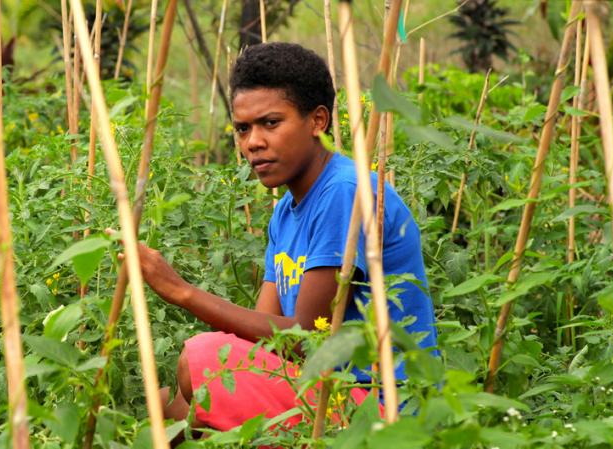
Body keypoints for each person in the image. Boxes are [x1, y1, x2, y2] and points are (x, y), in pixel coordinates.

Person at [123, 42, 438, 432]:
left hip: (382, 405)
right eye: (243, 129)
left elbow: (305, 341)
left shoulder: (345, 191)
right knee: (173, 408)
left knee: (204, 359)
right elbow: (268, 334)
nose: (253, 142)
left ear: (317, 121)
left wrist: (180, 290)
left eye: (270, 123)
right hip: (329, 392)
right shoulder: (285, 214)